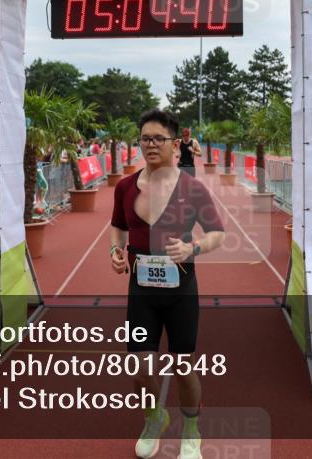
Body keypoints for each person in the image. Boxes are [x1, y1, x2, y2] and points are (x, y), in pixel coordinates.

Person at [109, 109, 225, 459]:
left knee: (183, 365)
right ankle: (153, 417)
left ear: (175, 144)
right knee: (140, 366)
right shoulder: (126, 187)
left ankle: (191, 429)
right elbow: (118, 226)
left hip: (181, 290)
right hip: (141, 290)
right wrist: (116, 250)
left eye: (159, 138)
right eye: (145, 138)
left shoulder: (192, 188)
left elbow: (218, 234)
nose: (151, 145)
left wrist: (193, 248)